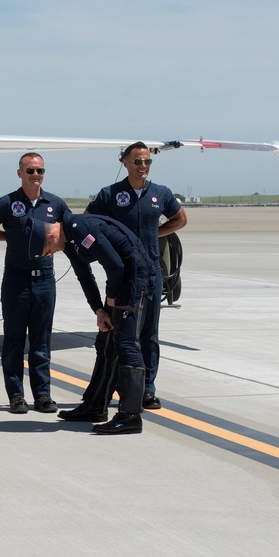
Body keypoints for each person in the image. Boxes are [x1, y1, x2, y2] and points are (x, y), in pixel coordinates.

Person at [77, 142, 187, 412]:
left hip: (151, 274)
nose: (143, 166)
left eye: (147, 162)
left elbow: (179, 219)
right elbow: (88, 222)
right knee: (120, 335)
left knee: (149, 335)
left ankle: (146, 390)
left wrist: (151, 237)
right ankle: (115, 387)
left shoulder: (160, 193)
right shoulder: (110, 194)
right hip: (122, 275)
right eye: (137, 161)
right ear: (124, 163)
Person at [41, 212, 154, 434]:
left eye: (48, 251)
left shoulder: (80, 228)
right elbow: (84, 275)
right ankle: (95, 405)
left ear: (52, 236)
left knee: (127, 344)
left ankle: (130, 416)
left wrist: (111, 296)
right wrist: (99, 310)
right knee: (105, 343)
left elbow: (116, 266)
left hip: (135, 279)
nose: (50, 255)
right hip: (123, 281)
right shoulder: (70, 240)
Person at [0, 153, 69, 414]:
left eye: (40, 170)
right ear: (20, 173)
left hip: (45, 282)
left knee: (41, 341)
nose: (35, 175)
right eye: (30, 170)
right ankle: (16, 396)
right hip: (16, 281)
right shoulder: (8, 203)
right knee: (15, 340)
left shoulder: (55, 203)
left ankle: (43, 395)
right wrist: (11, 239)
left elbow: (70, 230)